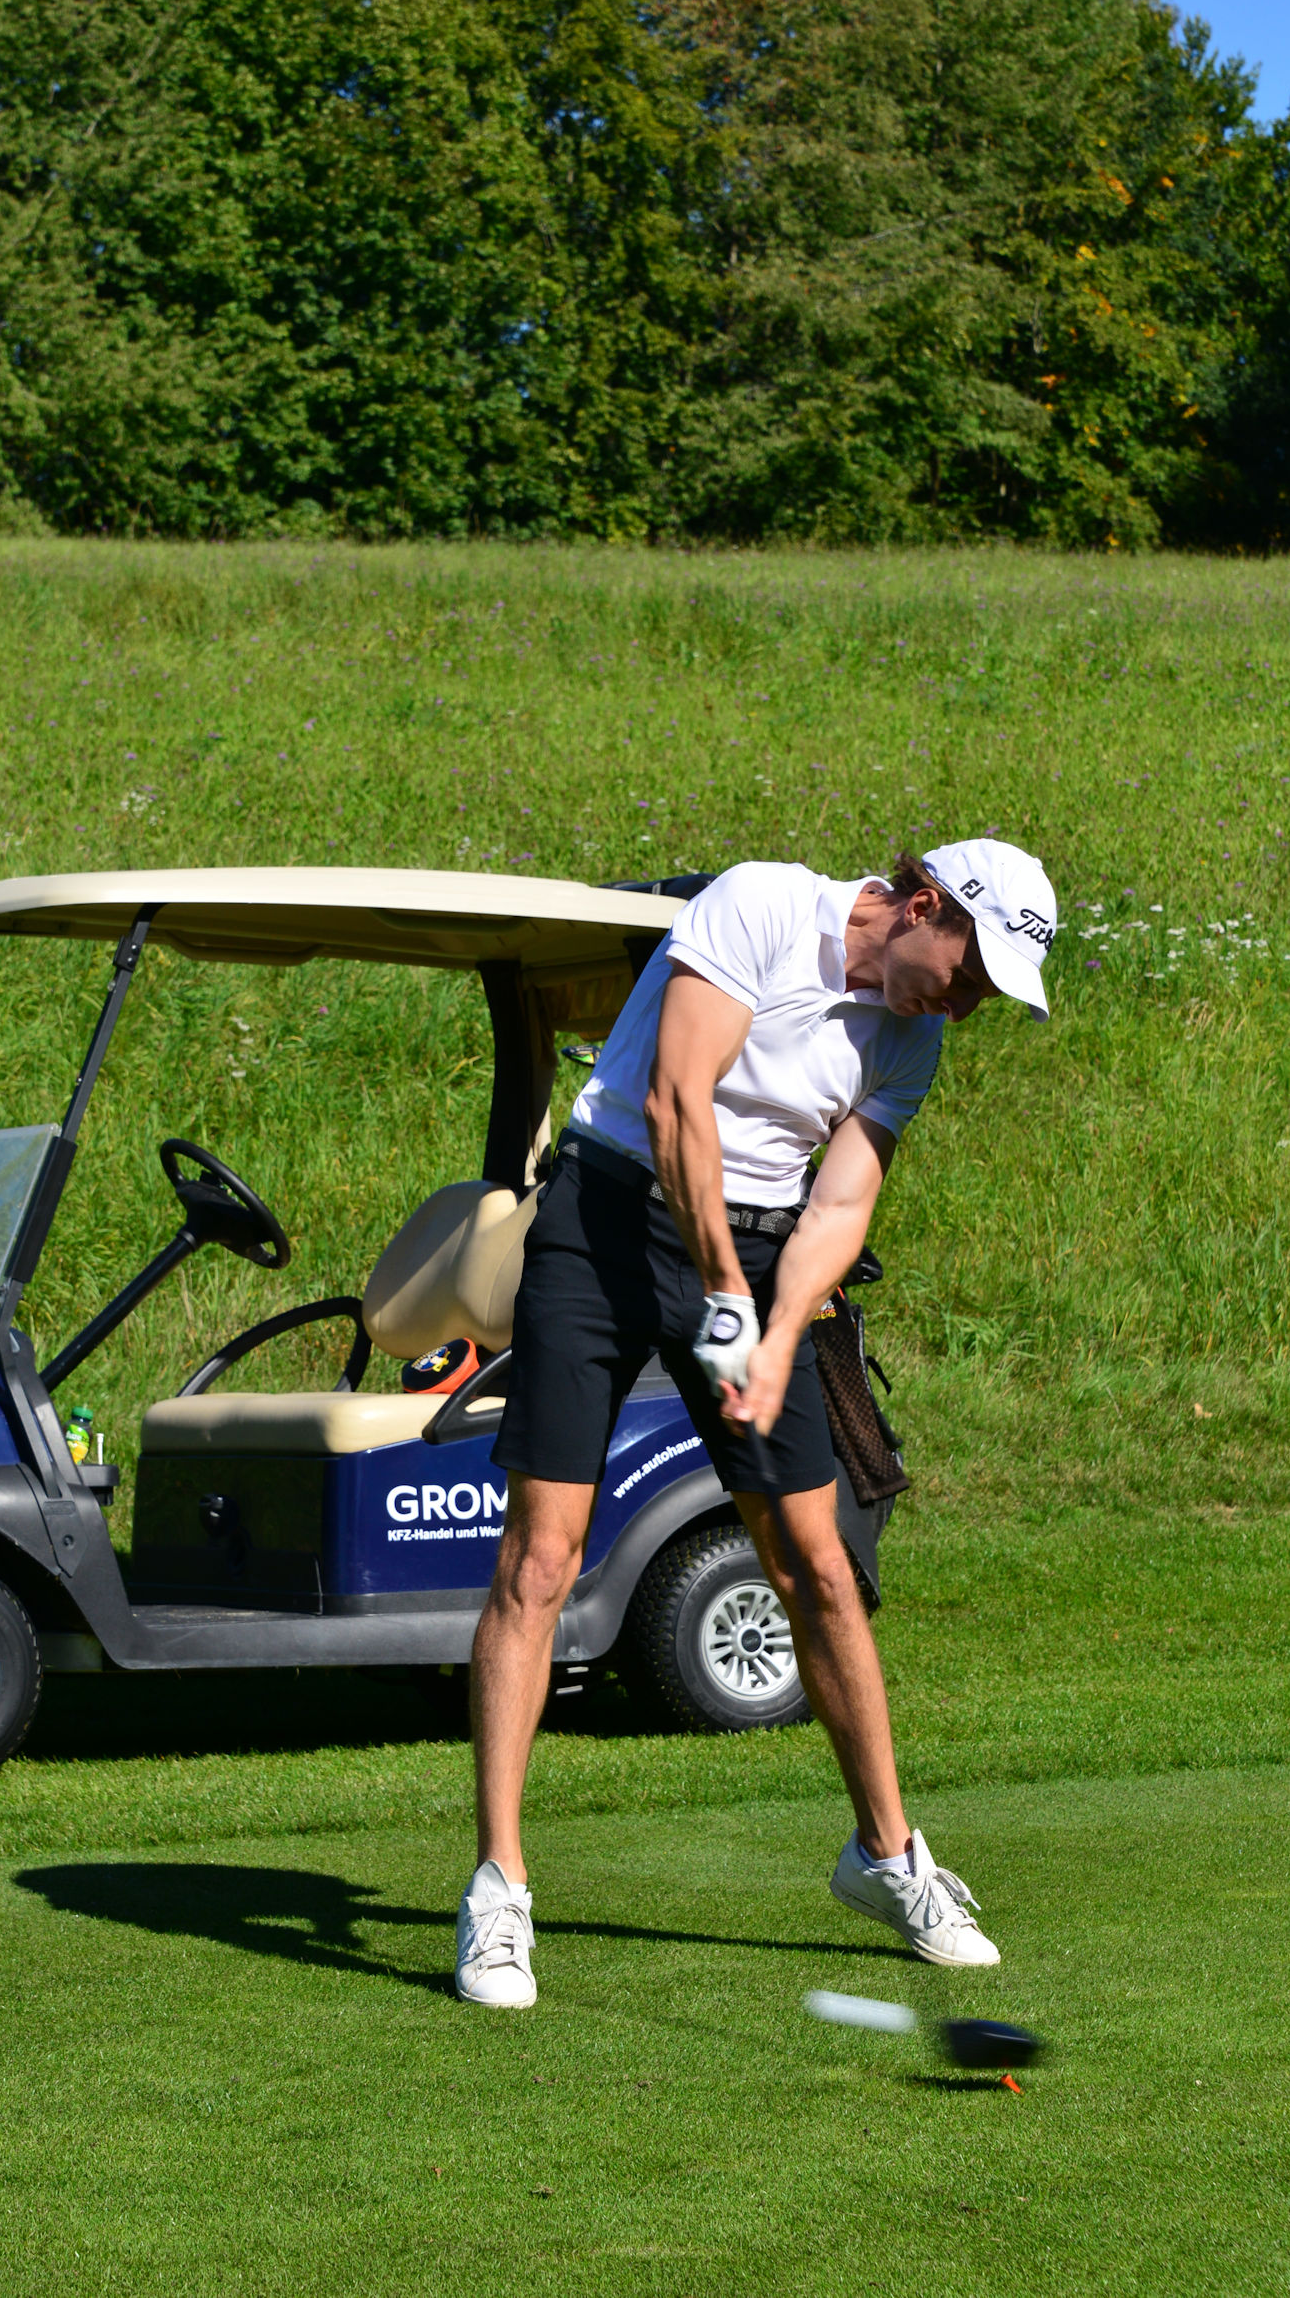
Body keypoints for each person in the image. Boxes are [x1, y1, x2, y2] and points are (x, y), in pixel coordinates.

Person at [453, 838, 1057, 2008]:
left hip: (761, 1245)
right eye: (971, 974)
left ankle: (886, 1856)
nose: (966, 1006)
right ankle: (499, 1889)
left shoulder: (912, 1036)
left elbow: (842, 1198)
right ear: (924, 906)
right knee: (540, 1558)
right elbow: (678, 1101)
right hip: (604, 1221)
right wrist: (729, 1296)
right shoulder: (765, 904)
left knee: (818, 1566)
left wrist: (776, 1335)